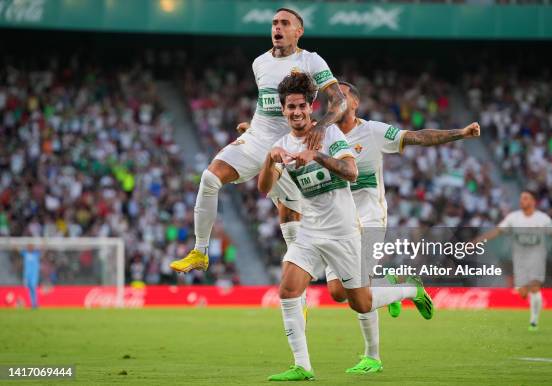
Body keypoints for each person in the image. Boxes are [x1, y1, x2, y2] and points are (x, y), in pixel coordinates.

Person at [259, 73, 431, 381]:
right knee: (288, 287)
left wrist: (318, 156)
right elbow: (264, 188)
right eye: (290, 107)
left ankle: (407, 288)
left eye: (301, 106)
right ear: (283, 111)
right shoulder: (282, 144)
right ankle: (302, 366)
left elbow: (351, 172)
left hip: (344, 232)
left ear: (310, 107)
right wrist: (269, 161)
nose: (296, 112)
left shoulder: (331, 135)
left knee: (360, 302)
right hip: (310, 231)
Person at [316, 81, 480, 373]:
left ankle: (372, 356)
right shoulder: (322, 136)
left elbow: (417, 137)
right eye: (330, 97)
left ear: (355, 103)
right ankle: (402, 286)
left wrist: (461, 133)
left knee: (359, 291)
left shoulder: (372, 131)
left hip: (369, 219)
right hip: (336, 223)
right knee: (338, 293)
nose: (335, 100)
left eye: (341, 95)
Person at [170, 8, 347, 273]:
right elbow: (268, 107)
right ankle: (200, 251)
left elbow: (339, 100)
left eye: (285, 23)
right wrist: (253, 125)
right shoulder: (259, 63)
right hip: (255, 141)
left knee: (289, 219)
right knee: (210, 178)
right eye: (274, 23)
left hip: (287, 148)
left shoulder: (312, 61)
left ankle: (300, 291)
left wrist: (320, 127)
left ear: (298, 32)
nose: (277, 27)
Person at [473, 191, 552, 331]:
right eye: (521, 198)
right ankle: (531, 300)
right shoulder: (513, 218)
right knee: (523, 292)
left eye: (525, 198)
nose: (522, 200)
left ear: (533, 201)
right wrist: (477, 241)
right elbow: (497, 231)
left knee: (535, 287)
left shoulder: (543, 219)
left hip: (537, 257)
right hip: (519, 259)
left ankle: (534, 321)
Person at [20, 244, 41, 309]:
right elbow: (17, 249)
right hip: (27, 274)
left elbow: (43, 250)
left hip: (34, 274)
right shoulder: (25, 253)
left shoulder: (36, 254)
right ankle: (32, 304)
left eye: (31, 246)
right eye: (29, 247)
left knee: (33, 287)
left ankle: (35, 303)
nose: (30, 248)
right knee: (29, 289)